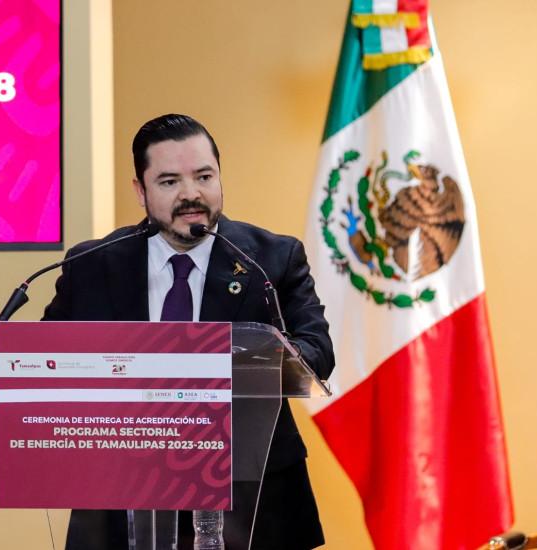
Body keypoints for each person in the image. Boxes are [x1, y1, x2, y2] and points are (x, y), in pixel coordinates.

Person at [43, 114, 334, 549]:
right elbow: (48, 358)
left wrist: (238, 360)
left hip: (253, 499)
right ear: (140, 190)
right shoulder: (92, 265)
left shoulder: (271, 259)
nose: (191, 194)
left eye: (204, 176)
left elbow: (317, 352)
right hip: (120, 499)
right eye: (169, 181)